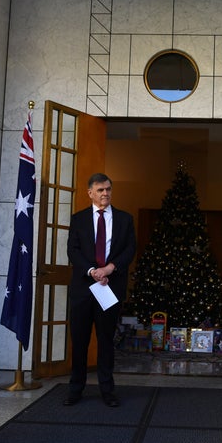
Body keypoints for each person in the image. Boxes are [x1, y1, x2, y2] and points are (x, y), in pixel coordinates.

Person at [64, 173, 136, 408]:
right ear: (90, 193)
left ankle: (107, 390)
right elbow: (72, 251)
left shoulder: (125, 219)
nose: (105, 193)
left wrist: (110, 269)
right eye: (100, 190)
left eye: (108, 189)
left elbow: (129, 250)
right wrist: (93, 271)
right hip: (83, 290)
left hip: (110, 288)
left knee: (106, 341)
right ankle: (76, 388)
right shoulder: (78, 219)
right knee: (80, 340)